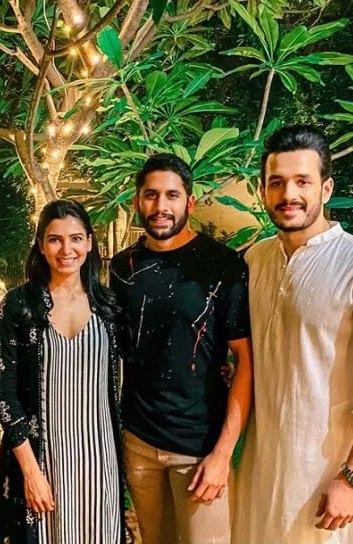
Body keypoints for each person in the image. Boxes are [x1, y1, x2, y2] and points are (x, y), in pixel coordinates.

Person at [233, 124, 353, 544]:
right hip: (261, 470)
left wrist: (352, 477)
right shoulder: (256, 260)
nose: (288, 194)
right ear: (262, 191)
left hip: (327, 479)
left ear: (326, 188)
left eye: (303, 181)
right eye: (277, 183)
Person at [110, 153, 253, 544]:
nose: (161, 206)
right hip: (139, 441)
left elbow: (245, 361)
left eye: (171, 195)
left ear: (189, 202)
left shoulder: (222, 265)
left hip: (200, 447)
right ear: (137, 201)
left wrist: (222, 454)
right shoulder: (122, 268)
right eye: (151, 195)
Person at [0, 199, 125, 543]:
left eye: (76, 238)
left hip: (100, 461)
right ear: (40, 245)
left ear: (90, 242)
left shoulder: (108, 307)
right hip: (43, 461)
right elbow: (4, 393)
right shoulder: (19, 306)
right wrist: (30, 471)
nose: (67, 250)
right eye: (55, 239)